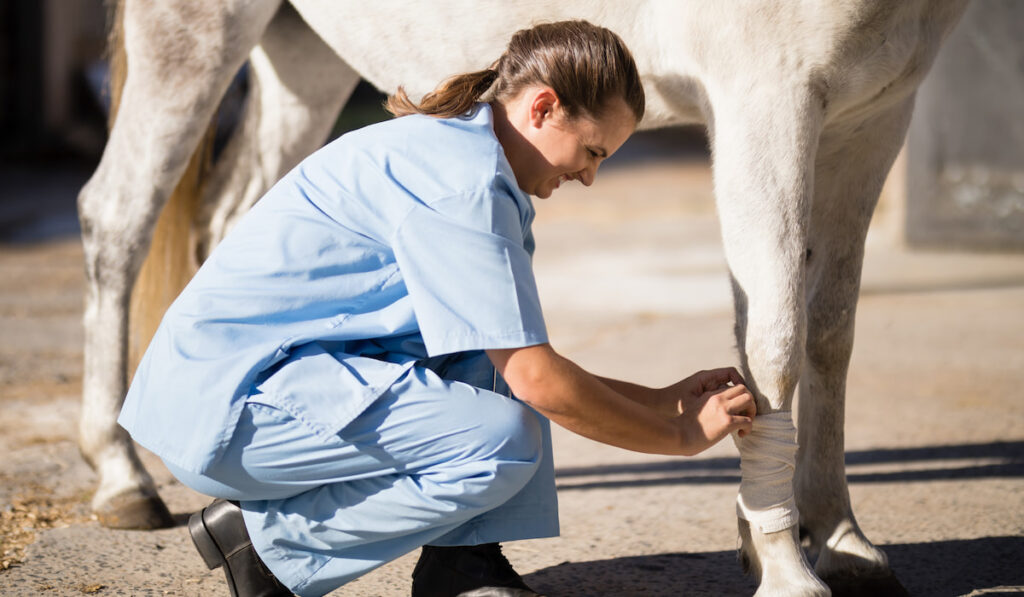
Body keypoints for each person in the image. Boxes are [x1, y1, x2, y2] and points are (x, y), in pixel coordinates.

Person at [119, 20, 756, 597]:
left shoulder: (465, 155)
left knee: (486, 359)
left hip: (246, 388)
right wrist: (675, 434)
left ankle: (460, 565)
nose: (589, 176)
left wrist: (660, 399)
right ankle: (267, 547)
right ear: (542, 107)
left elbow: (511, 359)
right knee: (501, 445)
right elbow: (537, 383)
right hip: (229, 411)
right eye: (592, 152)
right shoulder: (465, 185)